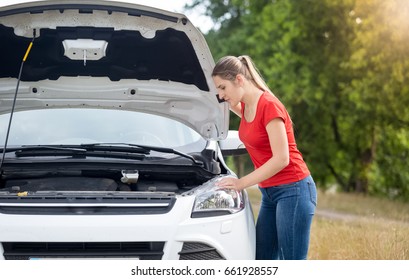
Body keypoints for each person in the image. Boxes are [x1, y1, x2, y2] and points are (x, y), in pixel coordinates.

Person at [212, 55, 317, 260]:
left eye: (223, 88)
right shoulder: (247, 107)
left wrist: (241, 183)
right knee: (263, 259)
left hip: (293, 190)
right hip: (270, 194)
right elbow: (236, 109)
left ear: (240, 80)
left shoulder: (269, 105)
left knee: (292, 261)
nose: (221, 95)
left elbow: (281, 159)